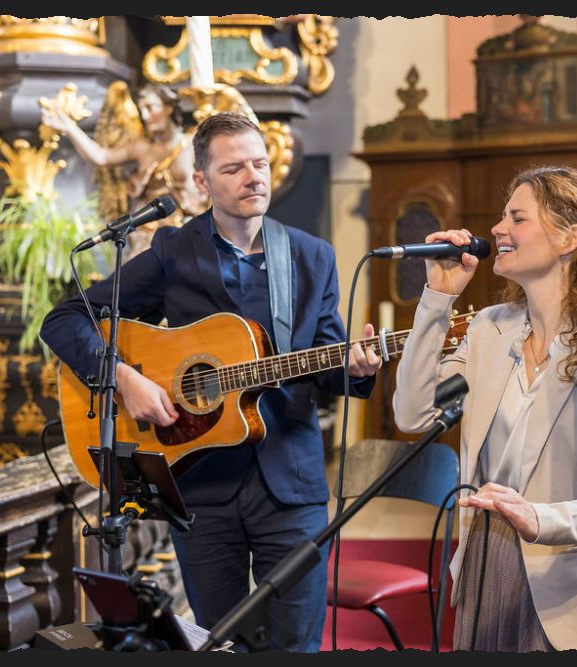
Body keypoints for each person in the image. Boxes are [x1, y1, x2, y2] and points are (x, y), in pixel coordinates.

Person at [39, 112, 382, 651]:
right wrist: (124, 378)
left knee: (295, 645)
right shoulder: (175, 252)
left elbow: (328, 358)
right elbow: (64, 319)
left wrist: (358, 367)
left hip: (290, 488)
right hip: (199, 484)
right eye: (235, 168)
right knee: (220, 644)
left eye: (260, 163)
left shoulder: (312, 257)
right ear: (201, 182)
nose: (254, 177)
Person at [393, 165, 577, 652]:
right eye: (502, 217)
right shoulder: (490, 329)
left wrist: (541, 518)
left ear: (569, 237)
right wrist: (437, 297)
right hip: (485, 561)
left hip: (574, 583)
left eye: (518, 218)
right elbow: (413, 414)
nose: (496, 229)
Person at [41, 83, 208, 260]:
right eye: (142, 109)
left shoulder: (191, 145)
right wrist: (69, 127)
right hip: (148, 232)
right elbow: (101, 157)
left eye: (151, 108)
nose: (145, 116)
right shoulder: (141, 147)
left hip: (186, 227)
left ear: (168, 108)